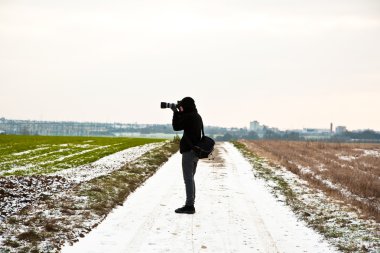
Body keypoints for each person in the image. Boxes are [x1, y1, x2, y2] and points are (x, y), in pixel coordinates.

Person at [172, 97, 203, 214]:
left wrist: (175, 112)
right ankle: (191, 203)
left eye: (183, 105)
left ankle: (189, 206)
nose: (182, 107)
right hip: (195, 151)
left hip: (189, 152)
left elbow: (176, 126)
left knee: (188, 179)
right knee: (191, 178)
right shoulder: (196, 116)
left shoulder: (189, 117)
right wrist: (180, 111)